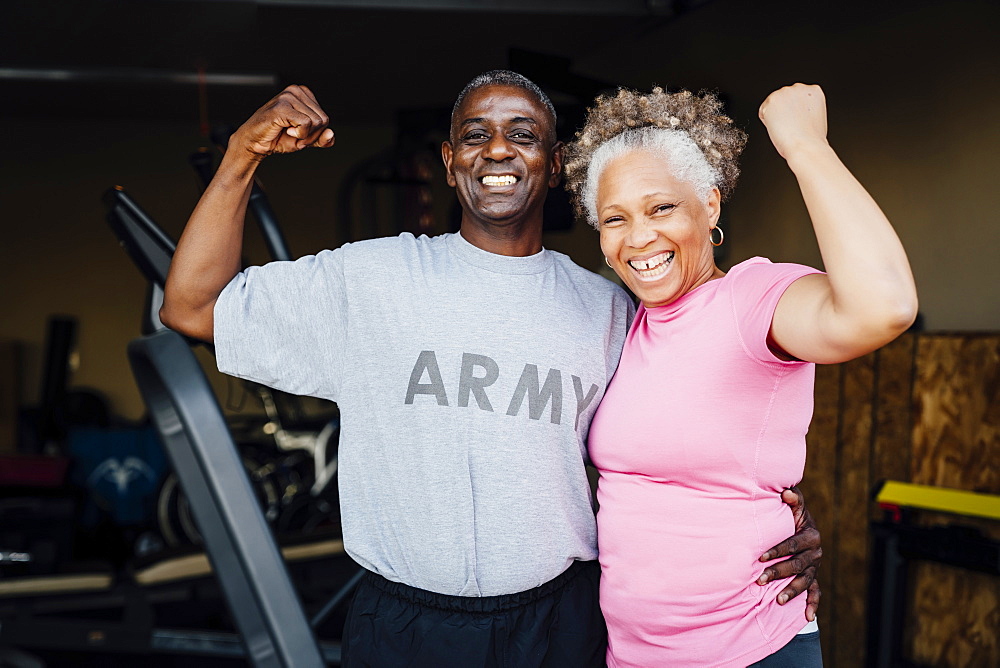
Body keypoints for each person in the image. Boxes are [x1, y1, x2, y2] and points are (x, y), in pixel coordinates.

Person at [160, 71, 822, 667]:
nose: (498, 150)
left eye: (522, 134)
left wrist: (765, 522)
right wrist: (242, 154)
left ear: (555, 163)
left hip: (562, 624)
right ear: (450, 164)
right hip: (404, 627)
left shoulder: (611, 307)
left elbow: (697, 439)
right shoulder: (367, 280)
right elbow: (190, 307)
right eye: (475, 136)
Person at [562, 83, 918, 667]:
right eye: (614, 219)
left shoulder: (750, 298)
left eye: (662, 208)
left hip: (748, 649)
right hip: (632, 655)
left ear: (711, 205)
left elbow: (885, 306)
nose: (639, 237)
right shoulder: (624, 326)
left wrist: (806, 146)